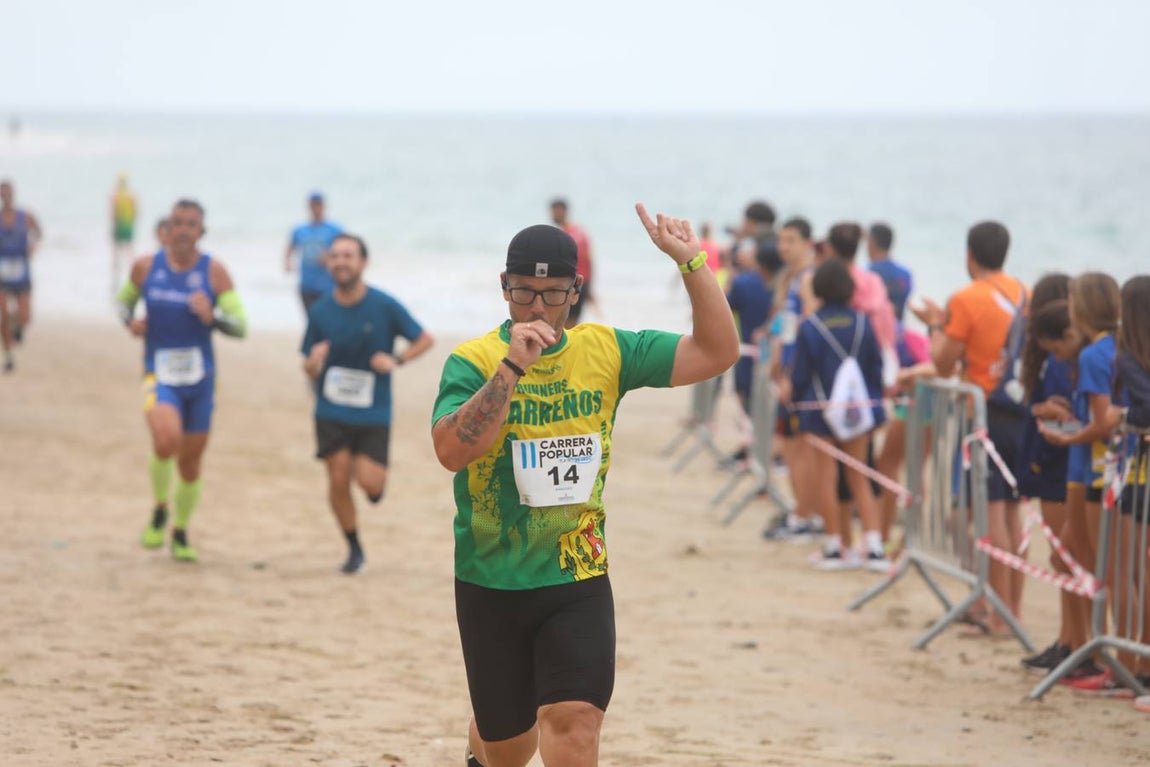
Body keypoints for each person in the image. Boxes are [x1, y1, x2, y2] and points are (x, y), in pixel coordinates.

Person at [431, 204, 738, 767]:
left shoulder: (608, 350)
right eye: (525, 292)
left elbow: (718, 352)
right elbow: (452, 451)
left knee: (573, 727)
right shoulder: (473, 360)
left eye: (553, 293)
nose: (539, 308)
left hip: (577, 576)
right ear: (505, 289)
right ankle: (484, 743)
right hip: (491, 580)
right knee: (509, 748)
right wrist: (510, 369)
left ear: (576, 290)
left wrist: (690, 261)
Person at [913, 221, 1029, 636]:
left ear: (969, 255)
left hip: (985, 414)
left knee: (992, 517)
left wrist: (934, 324)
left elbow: (944, 362)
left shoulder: (966, 298)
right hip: (1021, 411)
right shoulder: (1023, 292)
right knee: (1014, 517)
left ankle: (997, 616)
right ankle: (1008, 608)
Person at [117, 199, 247, 562]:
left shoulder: (215, 272)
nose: (184, 230)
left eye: (192, 224)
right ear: (167, 229)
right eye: (178, 223)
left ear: (201, 232)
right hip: (159, 374)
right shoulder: (145, 267)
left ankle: (181, 530)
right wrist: (131, 321)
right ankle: (161, 506)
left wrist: (213, 316)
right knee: (165, 438)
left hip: (201, 381)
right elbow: (122, 303)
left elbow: (241, 327)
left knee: (190, 464)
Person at [301, 233, 434, 575]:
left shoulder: (384, 305)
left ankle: (373, 486)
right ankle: (354, 548)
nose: (341, 262)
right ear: (328, 263)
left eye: (348, 256)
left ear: (363, 262)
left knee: (370, 485)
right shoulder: (320, 310)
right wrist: (313, 363)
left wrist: (397, 361)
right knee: (337, 477)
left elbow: (424, 339)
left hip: (374, 410)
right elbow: (308, 361)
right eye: (335, 256)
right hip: (331, 409)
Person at [789, 258, 889, 571]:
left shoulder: (810, 326)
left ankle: (835, 547)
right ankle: (873, 547)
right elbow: (876, 367)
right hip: (857, 412)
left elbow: (801, 374)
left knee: (827, 478)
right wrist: (871, 403)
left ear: (818, 287)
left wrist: (793, 403)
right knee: (859, 475)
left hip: (820, 412)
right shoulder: (863, 322)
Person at [1009, 275, 1074, 673]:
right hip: (1050, 463)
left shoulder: (1064, 362)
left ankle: (1077, 642)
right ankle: (1068, 639)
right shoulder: (1048, 360)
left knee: (1070, 559)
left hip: (1060, 466)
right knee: (1062, 557)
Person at [727, 238, 780, 414]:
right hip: (780, 358)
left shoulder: (743, 282)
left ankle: (750, 436)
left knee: (746, 396)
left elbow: (726, 307)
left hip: (749, 354)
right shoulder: (788, 287)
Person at [0, 179, 43, 373]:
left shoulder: (25, 216)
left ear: (13, 194)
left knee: (25, 317)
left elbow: (39, 231)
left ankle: (18, 327)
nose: (6, 197)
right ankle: (9, 356)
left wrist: (33, 245)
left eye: (9, 193)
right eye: (3, 193)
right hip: (2, 272)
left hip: (21, 271)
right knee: (3, 315)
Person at [285, 191, 343, 314]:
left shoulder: (334, 229)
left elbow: (345, 250)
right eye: (313, 205)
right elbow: (290, 246)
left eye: (319, 205)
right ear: (309, 206)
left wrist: (330, 257)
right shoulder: (300, 230)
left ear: (324, 206)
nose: (316, 208)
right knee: (312, 319)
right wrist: (287, 262)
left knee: (328, 318)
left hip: (328, 284)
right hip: (307, 283)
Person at [549, 198, 596, 328]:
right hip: (582, 283)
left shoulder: (564, 235)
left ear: (563, 211)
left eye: (555, 211)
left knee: (565, 327)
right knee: (570, 326)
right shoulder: (581, 231)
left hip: (570, 285)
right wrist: (589, 288)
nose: (553, 215)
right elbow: (590, 261)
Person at [866, 222, 913, 323]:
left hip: (873, 332)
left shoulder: (867, 274)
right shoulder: (906, 274)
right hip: (899, 330)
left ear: (872, 242)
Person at [110, 174, 138, 296]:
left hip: (119, 226)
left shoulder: (115, 196)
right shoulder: (131, 196)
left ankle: (116, 274)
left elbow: (113, 213)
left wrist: (113, 227)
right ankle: (131, 271)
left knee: (116, 253)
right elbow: (136, 212)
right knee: (129, 251)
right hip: (128, 226)